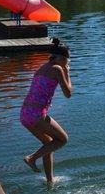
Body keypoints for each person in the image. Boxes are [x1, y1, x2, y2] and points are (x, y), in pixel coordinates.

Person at [21, 38, 72, 182]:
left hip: (25, 113)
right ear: (62, 59)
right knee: (62, 139)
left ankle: (50, 180)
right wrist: (67, 73)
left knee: (49, 144)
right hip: (36, 115)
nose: (68, 64)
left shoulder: (42, 67)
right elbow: (68, 94)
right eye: (68, 61)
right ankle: (31, 158)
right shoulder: (57, 69)